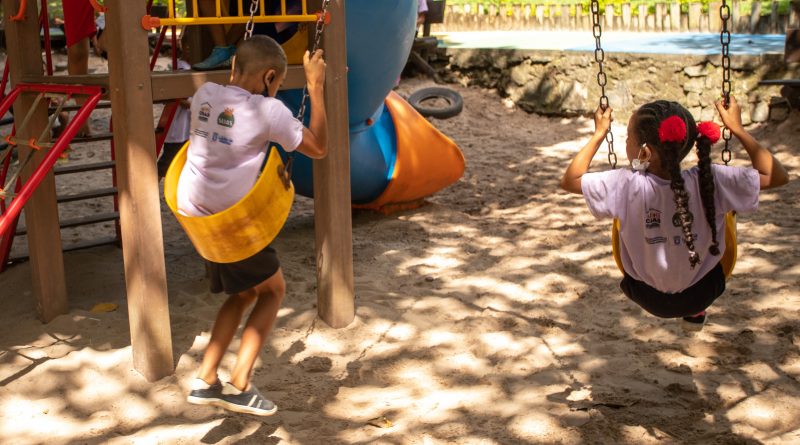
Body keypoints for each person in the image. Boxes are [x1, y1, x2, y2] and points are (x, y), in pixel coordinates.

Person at [180, 35, 327, 416]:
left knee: (244, 293)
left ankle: (206, 378)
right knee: (273, 291)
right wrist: (315, 87)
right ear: (271, 78)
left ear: (233, 68)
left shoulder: (205, 94)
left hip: (196, 213)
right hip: (231, 217)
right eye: (276, 83)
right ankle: (240, 383)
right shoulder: (269, 110)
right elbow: (319, 146)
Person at [561, 97, 788, 331]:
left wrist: (599, 134)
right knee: (721, 215)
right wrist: (737, 129)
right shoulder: (711, 179)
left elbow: (570, 180)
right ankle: (695, 311)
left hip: (645, 294)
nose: (626, 141)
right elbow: (778, 176)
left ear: (645, 152)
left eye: (628, 137)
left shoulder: (625, 184)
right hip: (702, 292)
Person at [157, 52, 192, 179]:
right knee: (166, 164)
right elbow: (176, 97)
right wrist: (192, 105)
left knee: (179, 163)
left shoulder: (185, 67)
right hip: (178, 129)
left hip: (186, 129)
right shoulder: (182, 68)